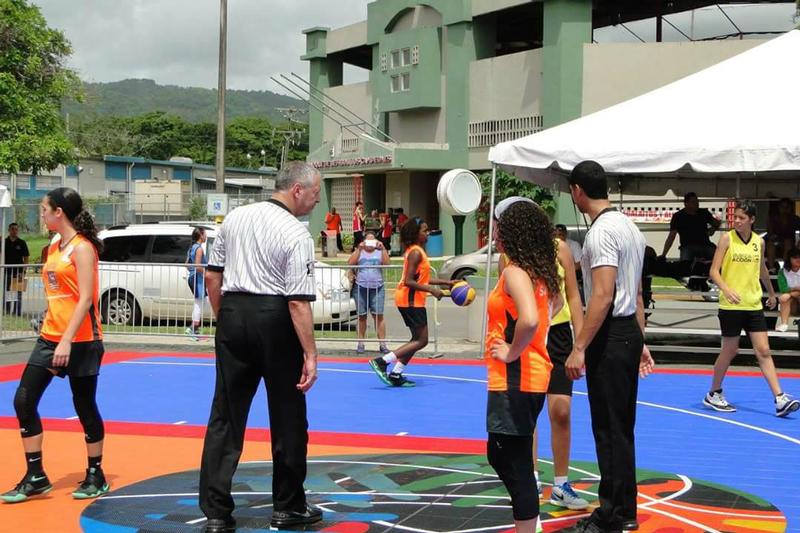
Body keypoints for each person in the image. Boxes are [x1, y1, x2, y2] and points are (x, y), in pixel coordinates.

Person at [199, 161, 323, 533]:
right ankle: (288, 506)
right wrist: (311, 354)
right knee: (288, 415)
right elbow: (298, 302)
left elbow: (211, 275)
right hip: (274, 315)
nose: (316, 203)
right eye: (315, 195)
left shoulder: (235, 219)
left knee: (226, 414)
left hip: (234, 311)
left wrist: (227, 320)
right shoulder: (296, 233)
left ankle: (216, 512)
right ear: (297, 190)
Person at [563, 161, 654, 533]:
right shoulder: (629, 227)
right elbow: (634, 294)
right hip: (627, 332)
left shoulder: (600, 234)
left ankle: (612, 513)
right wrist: (641, 340)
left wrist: (580, 345)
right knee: (622, 427)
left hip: (610, 335)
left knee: (608, 427)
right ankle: (624, 509)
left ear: (577, 191)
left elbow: (603, 294)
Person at [2, 188, 108, 503]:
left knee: (84, 406)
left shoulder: (83, 249)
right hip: (51, 337)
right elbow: (57, 294)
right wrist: (50, 327)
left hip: (82, 340)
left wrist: (66, 340)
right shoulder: (52, 247)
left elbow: (86, 298)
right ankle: (36, 476)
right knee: (23, 400)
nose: (41, 213)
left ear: (59, 212)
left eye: (44, 209)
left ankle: (95, 474)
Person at [485, 200, 561, 533]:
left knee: (510, 461)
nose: (495, 232)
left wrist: (512, 351)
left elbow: (530, 319)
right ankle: (528, 523)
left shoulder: (515, 272)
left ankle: (528, 526)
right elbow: (548, 311)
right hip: (528, 379)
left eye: (499, 226)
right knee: (506, 456)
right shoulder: (537, 273)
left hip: (516, 379)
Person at [704, 199, 799, 418]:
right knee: (730, 350)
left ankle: (779, 398)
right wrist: (726, 289)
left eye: (741, 218)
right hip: (731, 305)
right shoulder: (727, 239)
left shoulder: (759, 242)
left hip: (753, 303)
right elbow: (713, 271)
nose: (737, 221)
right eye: (735, 217)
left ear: (752, 220)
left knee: (764, 350)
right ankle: (713, 392)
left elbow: (762, 269)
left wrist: (771, 292)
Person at [367, 217, 453, 387]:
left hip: (411, 299)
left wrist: (447, 283)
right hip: (410, 300)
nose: (427, 234)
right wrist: (432, 291)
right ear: (416, 234)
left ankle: (396, 373)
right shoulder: (415, 253)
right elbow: (408, 281)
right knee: (421, 340)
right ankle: (383, 362)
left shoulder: (417, 251)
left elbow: (423, 278)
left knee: (416, 339)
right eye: (424, 231)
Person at [348, 231, 390, 355]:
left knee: (378, 315)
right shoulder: (360, 251)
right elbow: (350, 263)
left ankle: (382, 344)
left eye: (373, 241)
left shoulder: (379, 252)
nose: (370, 244)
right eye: (368, 241)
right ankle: (361, 343)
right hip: (361, 287)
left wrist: (383, 249)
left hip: (377, 287)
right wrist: (359, 249)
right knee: (361, 316)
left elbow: (387, 264)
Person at [660, 192, 721, 262]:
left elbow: (717, 222)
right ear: (686, 204)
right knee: (685, 264)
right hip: (688, 246)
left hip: (705, 245)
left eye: (697, 201)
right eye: (693, 202)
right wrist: (664, 254)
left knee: (718, 258)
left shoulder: (703, 213)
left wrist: (713, 228)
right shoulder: (678, 216)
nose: (697, 204)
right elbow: (671, 236)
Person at [766, 197, 800, 272]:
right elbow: (770, 234)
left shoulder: (795, 219)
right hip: (776, 243)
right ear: (779, 208)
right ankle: (771, 269)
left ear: (790, 208)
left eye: (787, 207)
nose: (784, 209)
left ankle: (785, 268)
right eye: (782, 207)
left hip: (791, 245)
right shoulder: (773, 219)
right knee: (771, 244)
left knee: (788, 242)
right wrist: (774, 239)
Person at [186, 227, 208, 339]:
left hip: (193, 278)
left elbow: (187, 264)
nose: (206, 236)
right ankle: (192, 329)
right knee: (199, 304)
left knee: (200, 303)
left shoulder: (191, 248)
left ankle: (193, 328)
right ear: (201, 235)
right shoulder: (199, 249)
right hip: (198, 279)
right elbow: (198, 266)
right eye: (205, 234)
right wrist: (207, 275)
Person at [4, 222, 29, 316]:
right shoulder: (4, 242)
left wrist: (24, 271)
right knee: (7, 293)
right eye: (12, 229)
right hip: (6, 272)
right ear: (9, 230)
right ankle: (6, 312)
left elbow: (26, 257)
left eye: (16, 229)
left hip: (18, 272)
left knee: (18, 293)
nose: (14, 231)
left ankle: (17, 313)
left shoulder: (22, 243)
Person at [776, 247, 800, 332]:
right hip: (793, 303)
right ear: (789, 259)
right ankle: (784, 324)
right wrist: (796, 289)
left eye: (799, 257)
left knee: (787, 295)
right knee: (784, 297)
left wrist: (790, 292)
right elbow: (783, 289)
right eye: (795, 257)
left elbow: (787, 290)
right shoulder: (782, 272)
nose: (798, 260)